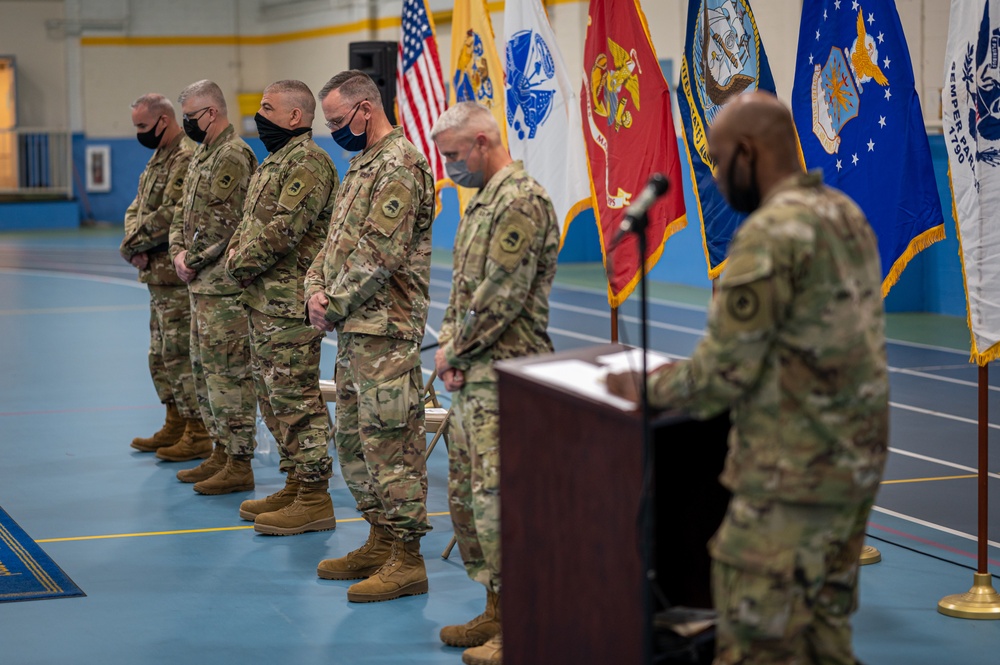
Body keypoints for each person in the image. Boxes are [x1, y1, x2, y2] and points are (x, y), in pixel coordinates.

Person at [607, 92, 889, 665]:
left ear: (748, 153)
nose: (713, 174)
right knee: (824, 640)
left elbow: (720, 376)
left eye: (716, 159)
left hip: (790, 478)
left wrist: (644, 387)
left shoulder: (770, 235)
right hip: (851, 468)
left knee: (756, 644)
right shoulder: (843, 213)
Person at [430, 101, 560, 665]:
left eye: (455, 155)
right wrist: (452, 353)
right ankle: (495, 607)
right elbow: (463, 291)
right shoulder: (481, 202)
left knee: (502, 501)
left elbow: (501, 296)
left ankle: (525, 623)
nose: (450, 167)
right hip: (474, 375)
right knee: (468, 501)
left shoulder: (521, 202)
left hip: (510, 375)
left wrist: (453, 349)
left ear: (483, 142)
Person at [305, 70, 434, 603]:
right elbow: (333, 241)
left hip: (386, 330)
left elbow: (380, 254)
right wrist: (313, 286)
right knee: (356, 443)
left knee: (391, 443)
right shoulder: (360, 164)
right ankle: (380, 539)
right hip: (355, 331)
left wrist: (330, 303)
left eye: (337, 121)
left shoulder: (402, 165)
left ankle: (408, 558)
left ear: (365, 108)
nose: (334, 130)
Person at [225, 80, 339, 534]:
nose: (259, 115)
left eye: (268, 108)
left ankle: (314, 497)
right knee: (272, 398)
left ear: (296, 117)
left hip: (289, 305)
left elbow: (282, 231)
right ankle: (295, 481)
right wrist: (236, 258)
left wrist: (235, 266)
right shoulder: (274, 161)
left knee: (295, 397)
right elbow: (248, 223)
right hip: (263, 300)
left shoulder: (309, 163)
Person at [167, 80, 259, 493]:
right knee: (205, 374)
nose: (186, 122)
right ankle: (220, 451)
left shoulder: (233, 155)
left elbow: (225, 224)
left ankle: (239, 462)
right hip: (200, 286)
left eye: (190, 115)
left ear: (211, 113)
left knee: (229, 375)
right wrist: (176, 253)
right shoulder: (203, 154)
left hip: (223, 288)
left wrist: (192, 259)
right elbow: (181, 214)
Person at [121, 93, 210, 457]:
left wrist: (134, 244)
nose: (139, 133)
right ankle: (175, 422)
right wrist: (133, 241)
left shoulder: (185, 157)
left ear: (164, 120)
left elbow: (175, 213)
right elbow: (137, 208)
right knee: (159, 355)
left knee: (180, 354)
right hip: (156, 276)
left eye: (143, 126)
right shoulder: (158, 158)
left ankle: (197, 430)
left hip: (175, 277)